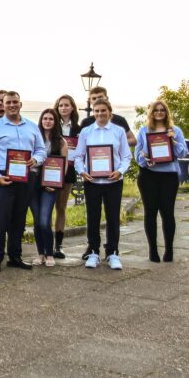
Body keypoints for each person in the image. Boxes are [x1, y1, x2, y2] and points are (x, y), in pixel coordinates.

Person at [0, 91, 45, 272]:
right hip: (2, 177)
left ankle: (15, 257)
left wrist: (36, 160)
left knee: (19, 219)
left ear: (20, 104)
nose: (11, 105)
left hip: (26, 177)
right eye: (8, 102)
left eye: (15, 102)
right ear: (3, 105)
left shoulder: (32, 127)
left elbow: (41, 150)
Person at [75, 99, 132, 270]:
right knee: (93, 216)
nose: (100, 114)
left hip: (113, 181)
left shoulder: (119, 131)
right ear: (93, 112)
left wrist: (120, 171)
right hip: (92, 181)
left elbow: (126, 156)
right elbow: (78, 156)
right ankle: (93, 252)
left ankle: (112, 253)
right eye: (97, 111)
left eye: (103, 111)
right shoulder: (86, 132)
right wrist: (82, 171)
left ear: (110, 113)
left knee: (113, 217)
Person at [135, 100, 188, 262]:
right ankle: (153, 250)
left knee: (167, 213)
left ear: (166, 113)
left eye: (162, 110)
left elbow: (183, 153)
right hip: (148, 176)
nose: (159, 112)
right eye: (156, 110)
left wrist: (173, 141)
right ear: (151, 113)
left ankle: (169, 250)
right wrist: (146, 158)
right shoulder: (144, 131)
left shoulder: (175, 130)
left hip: (169, 177)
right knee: (150, 213)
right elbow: (137, 156)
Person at [31, 109, 67, 267]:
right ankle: (40, 253)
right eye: (45, 118)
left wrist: (56, 184)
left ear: (55, 121)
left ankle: (50, 253)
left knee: (45, 220)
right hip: (33, 183)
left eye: (51, 119)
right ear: (41, 120)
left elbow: (64, 166)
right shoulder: (33, 138)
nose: (47, 121)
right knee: (37, 221)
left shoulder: (61, 142)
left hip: (50, 186)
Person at [52, 94, 82, 258]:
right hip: (50, 171)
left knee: (61, 207)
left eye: (66, 105)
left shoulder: (78, 129)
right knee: (47, 208)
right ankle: (46, 244)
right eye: (61, 105)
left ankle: (59, 245)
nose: (63, 108)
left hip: (69, 171)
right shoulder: (50, 125)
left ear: (72, 108)